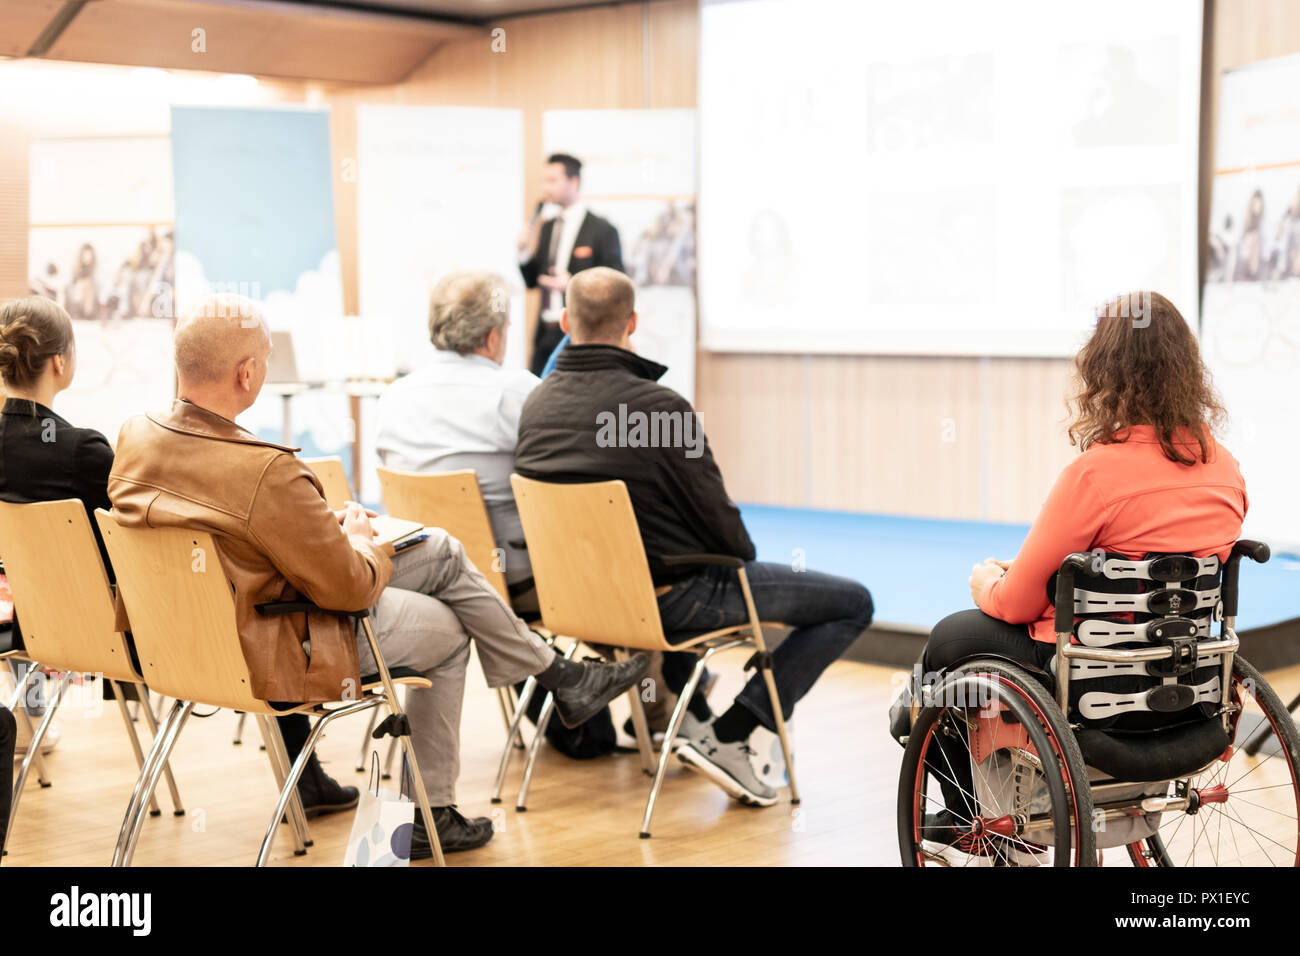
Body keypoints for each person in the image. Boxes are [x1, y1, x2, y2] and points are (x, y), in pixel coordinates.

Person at [108, 294, 648, 855]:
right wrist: (361, 544)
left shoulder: (136, 437)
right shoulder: (263, 470)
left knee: (439, 548)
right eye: (265, 359)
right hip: (275, 644)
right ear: (247, 373)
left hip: (181, 640)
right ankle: (430, 810)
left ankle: (558, 679)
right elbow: (350, 588)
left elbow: (225, 538)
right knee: (447, 627)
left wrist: (321, 531)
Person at [514, 268, 874, 807]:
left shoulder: (535, 407)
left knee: (679, 573)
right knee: (852, 602)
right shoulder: (661, 409)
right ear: (633, 323)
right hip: (666, 604)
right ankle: (732, 732)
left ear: (565, 322)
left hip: (575, 606)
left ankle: (694, 726)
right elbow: (728, 536)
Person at [903, 291, 1247, 838]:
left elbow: (1019, 603)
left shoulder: (1096, 474)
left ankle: (961, 800)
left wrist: (989, 582)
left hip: (1094, 674)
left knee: (950, 640)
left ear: (1104, 372)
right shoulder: (1224, 470)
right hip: (1183, 678)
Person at [0, 296, 358, 813]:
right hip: (134, 633)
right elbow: (148, 538)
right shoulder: (83, 452)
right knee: (254, 575)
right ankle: (307, 776)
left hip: (40, 627)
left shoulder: (103, 446)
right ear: (61, 362)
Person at [375, 271, 539, 609]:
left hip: (418, 575)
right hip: (509, 578)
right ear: (492, 337)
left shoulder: (392, 398)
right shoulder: (518, 392)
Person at [517, 153, 623, 376]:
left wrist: (573, 283)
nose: (546, 187)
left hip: (581, 336)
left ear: (574, 182)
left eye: (553, 180)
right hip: (545, 333)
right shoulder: (547, 227)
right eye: (544, 181)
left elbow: (615, 283)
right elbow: (532, 280)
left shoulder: (602, 230)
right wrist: (523, 251)